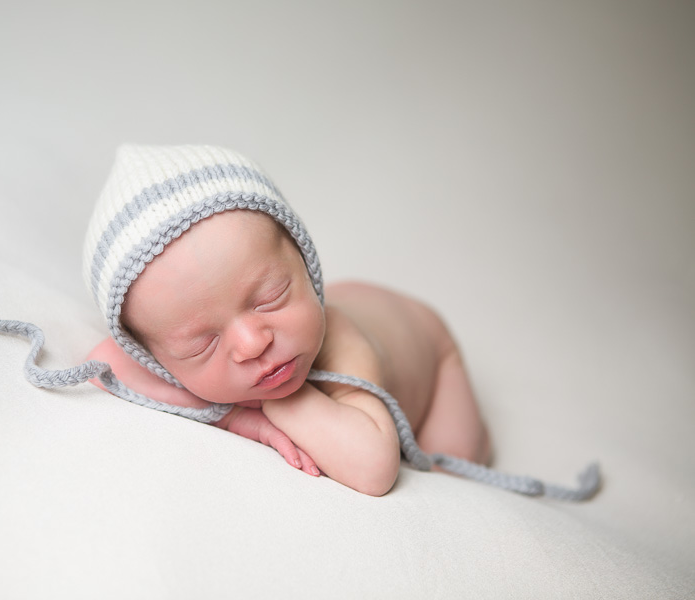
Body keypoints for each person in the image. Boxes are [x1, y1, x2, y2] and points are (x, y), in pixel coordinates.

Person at [84, 144, 489, 497]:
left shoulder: (344, 342)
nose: (252, 343)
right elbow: (105, 363)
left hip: (427, 345)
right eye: (201, 343)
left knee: (454, 465)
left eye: (270, 297)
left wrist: (274, 403)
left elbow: (373, 467)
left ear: (304, 261)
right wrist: (240, 417)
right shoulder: (161, 348)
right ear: (154, 356)